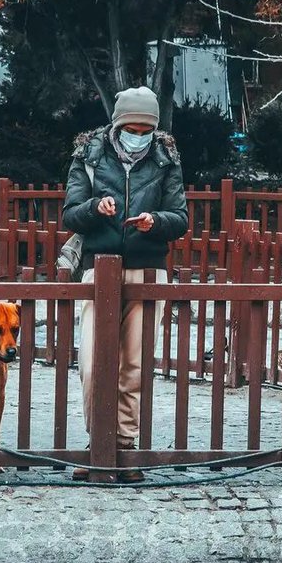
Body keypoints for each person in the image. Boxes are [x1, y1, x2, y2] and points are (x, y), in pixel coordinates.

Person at [62, 86, 188, 483]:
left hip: (148, 267)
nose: (139, 134)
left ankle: (125, 446)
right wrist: (96, 208)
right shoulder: (90, 154)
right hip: (98, 267)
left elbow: (180, 218)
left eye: (146, 128)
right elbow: (70, 214)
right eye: (132, 127)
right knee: (93, 363)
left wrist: (156, 221)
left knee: (134, 364)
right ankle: (97, 442)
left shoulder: (166, 158)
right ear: (117, 125)